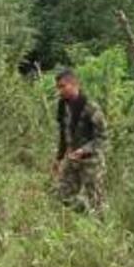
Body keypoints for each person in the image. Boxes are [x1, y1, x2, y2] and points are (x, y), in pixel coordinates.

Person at [52, 68, 107, 213]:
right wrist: (59, 158)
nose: (60, 90)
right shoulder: (62, 105)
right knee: (62, 195)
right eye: (58, 87)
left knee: (96, 201)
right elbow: (63, 133)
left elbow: (102, 137)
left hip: (91, 160)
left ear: (75, 84)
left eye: (63, 86)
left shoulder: (91, 107)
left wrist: (84, 150)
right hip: (72, 158)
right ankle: (82, 213)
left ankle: (99, 228)